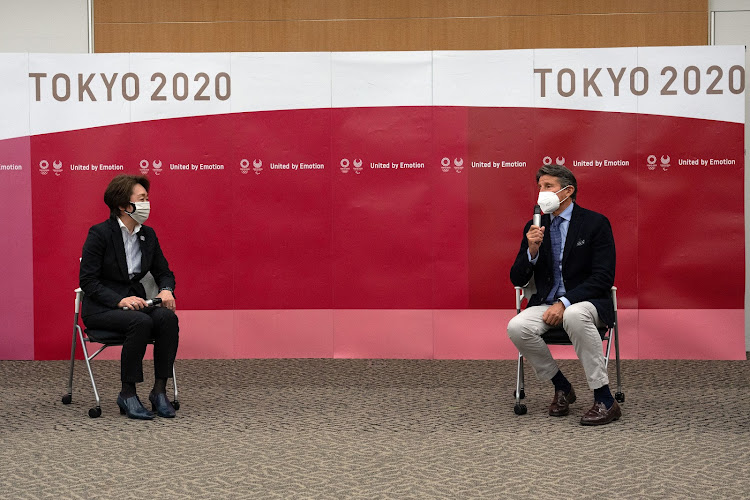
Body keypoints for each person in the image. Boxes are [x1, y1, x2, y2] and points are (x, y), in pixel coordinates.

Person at [507, 164, 621, 425]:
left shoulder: (595, 223)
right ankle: (562, 386)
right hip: (546, 302)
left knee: (573, 315)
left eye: (548, 187)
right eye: (539, 187)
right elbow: (517, 278)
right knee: (517, 326)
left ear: (568, 191)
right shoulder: (535, 225)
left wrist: (564, 302)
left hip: (587, 303)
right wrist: (531, 250)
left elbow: (603, 277)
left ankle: (604, 399)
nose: (541, 193)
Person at [79, 174, 179, 420]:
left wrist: (166, 289)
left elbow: (164, 272)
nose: (147, 204)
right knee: (142, 322)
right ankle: (128, 393)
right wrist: (119, 300)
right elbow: (88, 281)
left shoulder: (148, 235)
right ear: (124, 206)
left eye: (147, 198)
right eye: (141, 198)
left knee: (167, 319)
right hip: (102, 309)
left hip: (136, 305)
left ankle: (159, 392)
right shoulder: (100, 234)